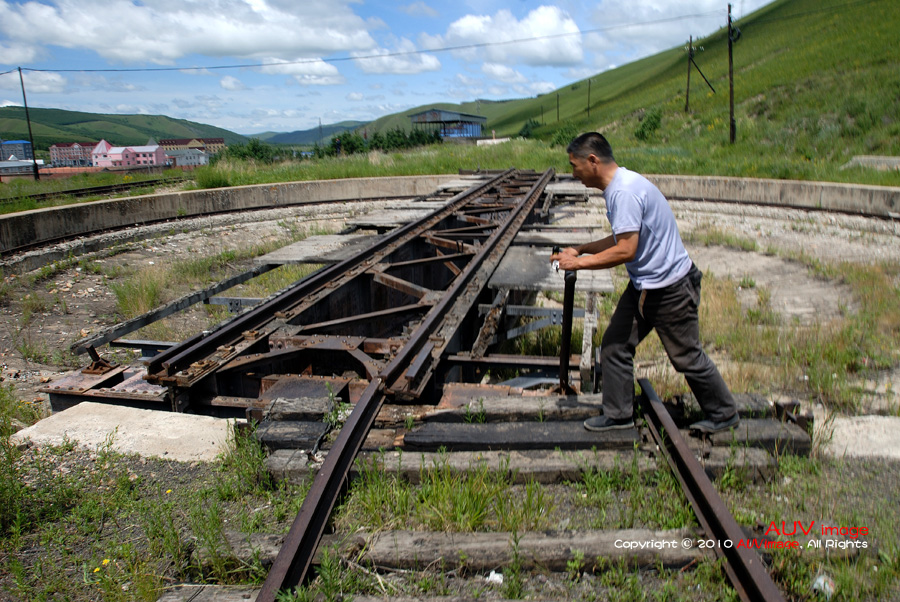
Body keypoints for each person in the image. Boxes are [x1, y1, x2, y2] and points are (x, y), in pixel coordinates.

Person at [551, 132, 739, 433]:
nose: (573, 174)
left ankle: (724, 413)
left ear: (593, 161)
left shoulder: (623, 192)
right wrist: (582, 249)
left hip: (670, 289)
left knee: (686, 357)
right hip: (645, 286)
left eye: (575, 166)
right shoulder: (621, 185)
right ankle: (619, 414)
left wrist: (579, 263)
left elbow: (626, 250)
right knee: (615, 345)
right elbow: (622, 237)